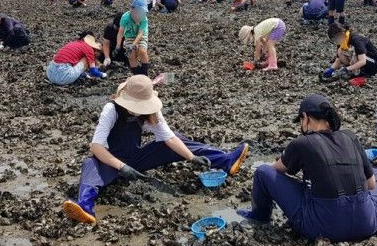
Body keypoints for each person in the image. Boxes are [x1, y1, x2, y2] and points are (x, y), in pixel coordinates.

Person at [62, 75, 250, 224]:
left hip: (136, 159)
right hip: (110, 161)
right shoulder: (111, 109)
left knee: (180, 140)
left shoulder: (151, 111)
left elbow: (168, 137)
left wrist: (191, 157)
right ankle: (86, 207)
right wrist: (121, 167)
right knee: (89, 164)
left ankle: (226, 161)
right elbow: (96, 146)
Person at [237, 94, 377, 242]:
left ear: (305, 117)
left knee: (262, 172)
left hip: (321, 229)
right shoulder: (350, 137)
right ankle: (365, 211)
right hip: (366, 225)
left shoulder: (302, 143)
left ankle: (259, 216)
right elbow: (371, 184)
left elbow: (276, 169)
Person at [116, 0, 151, 75]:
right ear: (132, 9)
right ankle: (137, 74)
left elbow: (140, 34)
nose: (140, 14)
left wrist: (133, 45)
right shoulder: (125, 17)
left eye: (142, 12)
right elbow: (120, 32)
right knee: (131, 55)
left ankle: (145, 73)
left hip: (141, 35)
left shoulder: (144, 19)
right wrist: (118, 45)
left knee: (142, 51)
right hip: (129, 35)